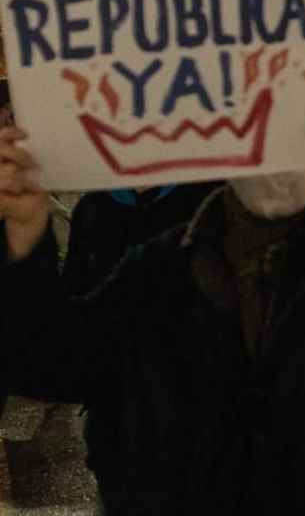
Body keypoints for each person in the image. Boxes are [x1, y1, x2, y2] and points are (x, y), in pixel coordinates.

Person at [0, 71, 305, 514]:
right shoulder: (162, 270)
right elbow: (50, 361)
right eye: (252, 133)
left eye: (291, 135)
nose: (271, 157)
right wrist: (27, 239)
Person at [60, 179, 220, 507]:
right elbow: (72, 317)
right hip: (117, 425)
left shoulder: (209, 201)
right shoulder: (93, 208)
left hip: (199, 421)